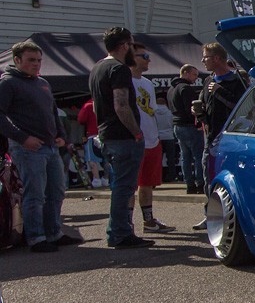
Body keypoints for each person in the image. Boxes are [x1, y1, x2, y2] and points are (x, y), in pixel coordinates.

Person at [0, 41, 79, 252]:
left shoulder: (42, 83)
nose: (36, 64)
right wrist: (23, 138)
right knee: (35, 195)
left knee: (57, 192)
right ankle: (36, 238)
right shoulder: (7, 83)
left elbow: (53, 112)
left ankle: (54, 233)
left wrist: (61, 136)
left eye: (39, 60)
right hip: (28, 149)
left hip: (50, 147)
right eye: (31, 60)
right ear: (17, 60)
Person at [89, 27, 153, 249]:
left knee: (119, 185)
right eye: (131, 45)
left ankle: (118, 231)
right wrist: (136, 132)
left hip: (107, 135)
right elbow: (121, 104)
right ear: (125, 46)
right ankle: (120, 233)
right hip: (123, 137)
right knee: (124, 188)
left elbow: (96, 106)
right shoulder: (119, 69)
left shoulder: (97, 68)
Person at [192, 43, 248, 230]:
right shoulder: (208, 80)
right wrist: (198, 111)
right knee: (208, 176)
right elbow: (205, 104)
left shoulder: (236, 81)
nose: (203, 61)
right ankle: (211, 215)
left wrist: (219, 91)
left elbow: (241, 107)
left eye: (206, 57)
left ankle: (232, 218)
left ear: (217, 58)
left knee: (231, 178)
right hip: (211, 137)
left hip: (231, 139)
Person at [129, 43, 174, 233]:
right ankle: (126, 225)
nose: (149, 60)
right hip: (133, 141)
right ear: (132, 58)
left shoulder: (147, 83)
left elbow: (151, 111)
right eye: (144, 56)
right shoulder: (124, 81)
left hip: (152, 140)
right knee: (129, 185)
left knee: (147, 183)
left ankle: (148, 221)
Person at [167, 64, 205, 194]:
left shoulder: (171, 89)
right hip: (189, 125)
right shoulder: (185, 88)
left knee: (185, 156)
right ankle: (200, 183)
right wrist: (199, 123)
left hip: (177, 125)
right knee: (198, 156)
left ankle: (189, 184)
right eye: (194, 75)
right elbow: (191, 110)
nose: (196, 78)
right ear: (186, 73)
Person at [77, 97, 109, 187]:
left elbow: (81, 119)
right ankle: (106, 179)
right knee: (107, 158)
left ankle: (97, 179)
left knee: (91, 158)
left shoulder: (88, 105)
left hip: (92, 135)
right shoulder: (107, 104)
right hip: (105, 135)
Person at [154, 95, 177, 182]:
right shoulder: (169, 113)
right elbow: (172, 124)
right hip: (169, 136)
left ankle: (158, 176)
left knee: (158, 160)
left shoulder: (154, 113)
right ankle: (171, 176)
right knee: (171, 158)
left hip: (158, 137)